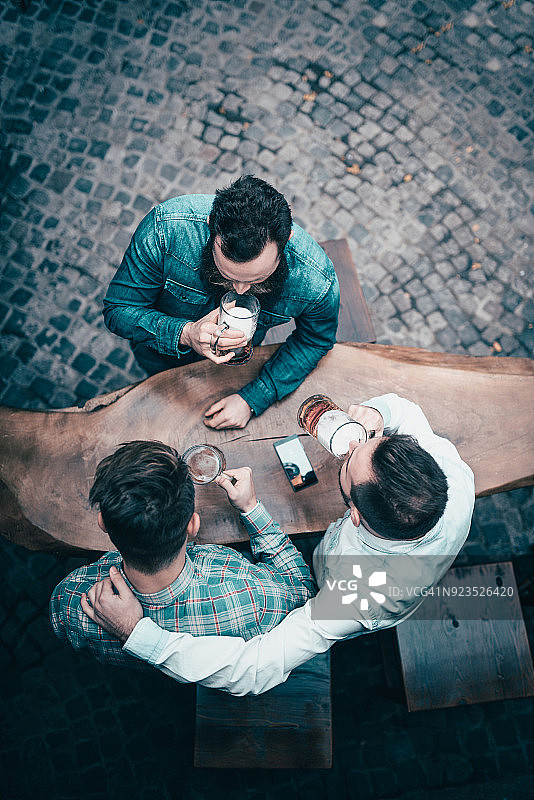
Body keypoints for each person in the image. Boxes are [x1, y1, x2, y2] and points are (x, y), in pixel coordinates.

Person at [81, 394, 475, 692]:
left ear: (355, 514)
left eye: (352, 456)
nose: (351, 444)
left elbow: (254, 668)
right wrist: (380, 415)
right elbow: (408, 414)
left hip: (332, 582)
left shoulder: (357, 598)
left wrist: (138, 634)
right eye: (370, 442)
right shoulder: (450, 474)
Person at [103, 175, 340, 430]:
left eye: (258, 278)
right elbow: (118, 310)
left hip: (236, 371)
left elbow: (315, 339)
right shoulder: (165, 230)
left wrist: (253, 398)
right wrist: (185, 333)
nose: (239, 290)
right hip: (159, 357)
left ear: (287, 240)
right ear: (210, 226)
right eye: (227, 274)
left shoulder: (316, 280)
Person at [49, 440, 315, 666]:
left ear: (102, 523)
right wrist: (250, 507)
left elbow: (60, 624)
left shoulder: (73, 602)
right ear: (193, 525)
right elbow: (303, 591)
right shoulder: (254, 597)